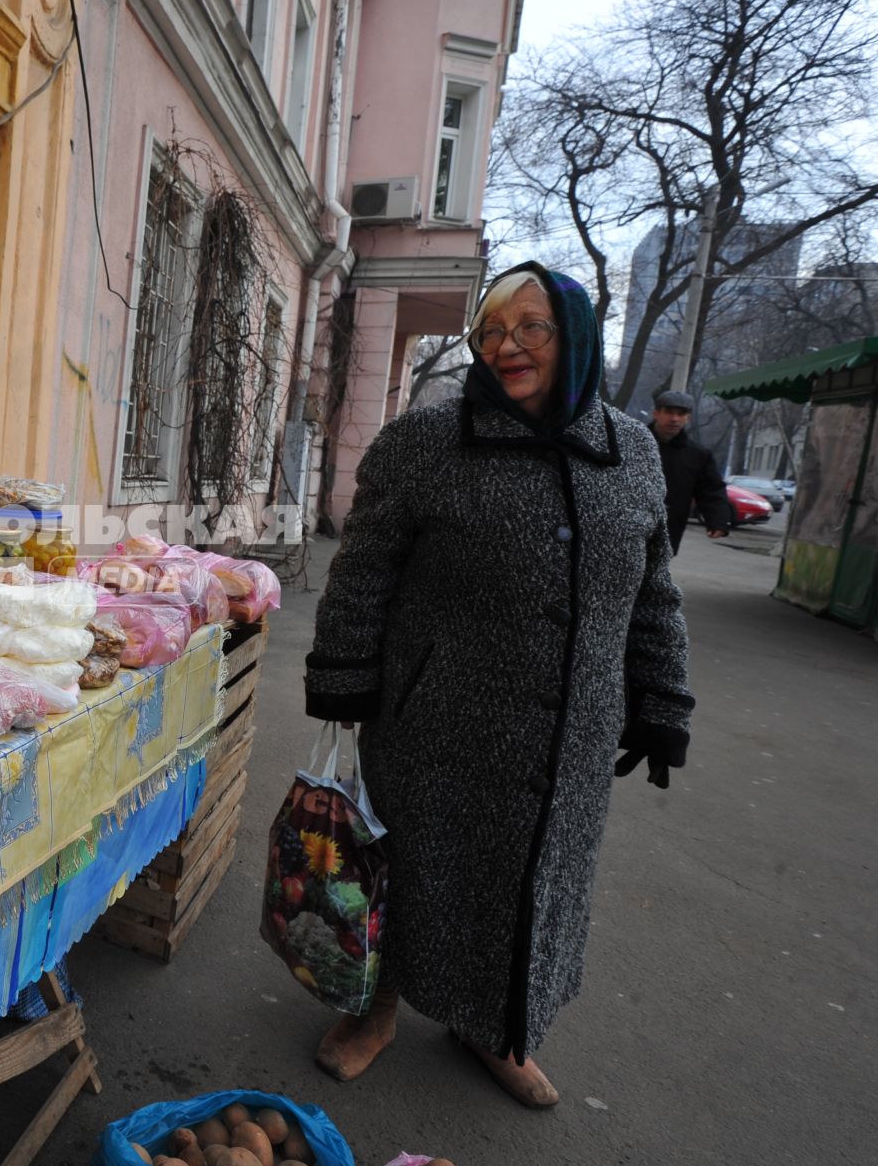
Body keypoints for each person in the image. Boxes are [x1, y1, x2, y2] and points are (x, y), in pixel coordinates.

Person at [302, 263, 693, 1108]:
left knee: (531, 885)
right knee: (406, 870)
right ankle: (374, 1011)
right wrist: (344, 675)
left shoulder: (631, 457)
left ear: (577, 336)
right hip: (433, 726)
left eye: (531, 327)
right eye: (490, 330)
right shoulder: (428, 442)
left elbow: (653, 593)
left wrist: (662, 703)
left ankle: (496, 1026)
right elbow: (363, 571)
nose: (506, 345)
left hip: (569, 740)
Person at [649, 389, 733, 552]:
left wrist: (718, 520)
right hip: (628, 526)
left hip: (669, 529)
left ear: (688, 418)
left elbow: (711, 489)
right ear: (656, 413)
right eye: (669, 412)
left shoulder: (698, 455)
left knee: (655, 573)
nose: (674, 419)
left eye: (681, 414)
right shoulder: (632, 445)